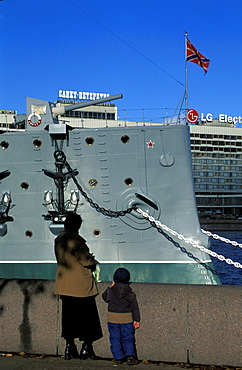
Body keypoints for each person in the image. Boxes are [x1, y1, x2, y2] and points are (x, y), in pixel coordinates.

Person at [54, 212, 103, 360]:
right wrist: (93, 259)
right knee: (88, 319)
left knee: (69, 319)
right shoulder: (75, 240)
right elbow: (85, 261)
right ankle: (86, 348)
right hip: (81, 287)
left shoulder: (59, 239)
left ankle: (70, 348)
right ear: (78, 225)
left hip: (64, 285)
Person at [102, 268, 140, 365]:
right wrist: (136, 320)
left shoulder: (110, 291)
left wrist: (111, 287)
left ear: (114, 280)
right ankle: (130, 356)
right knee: (128, 338)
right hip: (126, 319)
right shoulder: (130, 294)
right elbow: (135, 308)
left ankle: (118, 357)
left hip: (112, 318)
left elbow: (104, 297)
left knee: (115, 338)